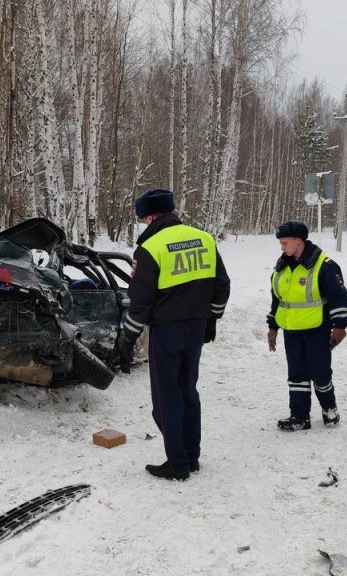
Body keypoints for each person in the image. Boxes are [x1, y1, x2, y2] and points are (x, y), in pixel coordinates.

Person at [117, 188, 231, 481]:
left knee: (166, 397)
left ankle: (177, 463)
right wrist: (212, 319)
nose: (144, 224)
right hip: (195, 328)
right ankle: (192, 456)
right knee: (187, 390)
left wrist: (127, 338)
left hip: (167, 331)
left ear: (151, 216)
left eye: (143, 219)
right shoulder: (204, 239)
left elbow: (140, 302)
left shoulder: (151, 248)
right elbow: (222, 285)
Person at [266, 221, 347, 431]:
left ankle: (329, 408)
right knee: (296, 375)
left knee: (320, 373)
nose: (282, 247)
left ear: (299, 241)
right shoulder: (281, 268)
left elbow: (338, 297)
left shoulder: (324, 265)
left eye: (285, 242)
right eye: (280, 243)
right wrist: (273, 326)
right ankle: (299, 416)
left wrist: (340, 326)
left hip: (317, 330)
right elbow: (278, 300)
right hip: (292, 331)